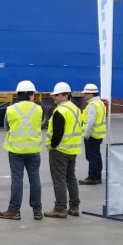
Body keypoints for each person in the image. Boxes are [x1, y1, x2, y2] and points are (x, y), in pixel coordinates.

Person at [0, 81, 44, 221]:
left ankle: (14, 210)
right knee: (35, 180)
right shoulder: (38, 109)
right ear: (30, 94)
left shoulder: (11, 109)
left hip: (16, 150)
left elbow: (6, 127)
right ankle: (37, 211)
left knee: (17, 180)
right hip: (34, 150)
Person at [44, 82, 83, 218]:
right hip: (73, 149)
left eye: (57, 95)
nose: (54, 97)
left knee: (59, 179)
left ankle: (60, 208)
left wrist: (53, 146)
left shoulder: (60, 111)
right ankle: (74, 207)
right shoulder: (76, 109)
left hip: (60, 150)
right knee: (71, 178)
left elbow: (58, 133)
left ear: (66, 95)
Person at [78, 83, 106, 185]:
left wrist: (86, 135)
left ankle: (92, 177)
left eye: (86, 93)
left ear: (91, 94)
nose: (84, 95)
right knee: (97, 156)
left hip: (92, 135)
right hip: (98, 135)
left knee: (91, 157)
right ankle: (97, 177)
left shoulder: (93, 105)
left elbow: (91, 122)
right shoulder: (100, 103)